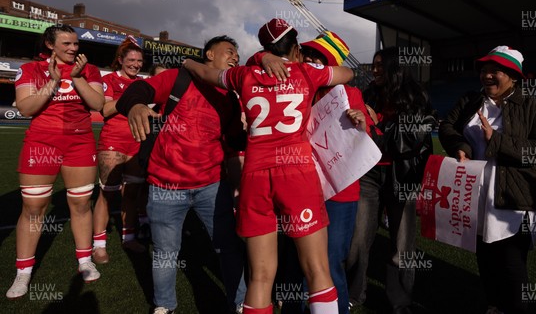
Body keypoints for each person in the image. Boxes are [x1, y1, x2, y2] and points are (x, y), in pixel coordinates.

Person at [182, 18, 355, 314]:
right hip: (296, 172)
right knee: (317, 270)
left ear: (264, 48)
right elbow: (348, 73)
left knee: (260, 278)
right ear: (296, 47)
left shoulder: (243, 74)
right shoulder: (306, 71)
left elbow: (206, 73)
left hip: (256, 173)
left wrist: (187, 62)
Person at [116, 35, 247, 314]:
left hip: (212, 185)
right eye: (230, 51)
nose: (235, 57)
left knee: (228, 247)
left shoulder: (230, 97)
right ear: (209, 55)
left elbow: (237, 140)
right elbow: (135, 91)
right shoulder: (179, 77)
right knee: (165, 252)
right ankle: (164, 305)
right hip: (165, 185)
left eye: (237, 54)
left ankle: (240, 303)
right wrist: (137, 105)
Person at [439, 46, 536, 314]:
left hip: (513, 204)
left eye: (496, 71)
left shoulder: (534, 107)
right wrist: (461, 146)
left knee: (512, 268)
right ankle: (494, 306)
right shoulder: (471, 100)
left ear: (514, 76)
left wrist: (497, 141)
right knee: (486, 262)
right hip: (474, 197)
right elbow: (447, 126)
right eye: (484, 70)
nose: (487, 75)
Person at [7, 25, 105, 299]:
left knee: (81, 203)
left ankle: (85, 261)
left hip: (80, 143)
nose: (74, 48)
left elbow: (97, 104)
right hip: (42, 143)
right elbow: (26, 108)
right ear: (50, 44)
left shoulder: (90, 69)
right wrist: (52, 81)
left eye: (75, 43)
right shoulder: (31, 70)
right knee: (33, 207)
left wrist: (77, 79)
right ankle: (23, 272)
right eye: (67, 44)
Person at [279, 31, 373, 314]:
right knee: (294, 259)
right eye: (307, 53)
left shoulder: (351, 93)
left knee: (331, 260)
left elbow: (364, 132)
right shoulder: (292, 85)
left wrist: (360, 121)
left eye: (318, 57)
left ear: (331, 63)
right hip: (299, 187)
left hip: (339, 191)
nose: (310, 59)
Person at [346, 47, 434, 314]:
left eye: (380, 66)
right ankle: (353, 293)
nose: (374, 70)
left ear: (396, 68)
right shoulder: (368, 92)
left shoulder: (416, 96)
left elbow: (408, 142)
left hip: (402, 174)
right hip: (369, 173)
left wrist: (374, 126)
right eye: (373, 65)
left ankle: (400, 301)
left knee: (402, 242)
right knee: (358, 238)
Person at [92, 36, 147, 264]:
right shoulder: (109, 80)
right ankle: (99, 246)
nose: (136, 64)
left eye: (139, 61)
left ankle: (129, 237)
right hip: (113, 142)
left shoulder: (144, 84)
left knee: (132, 194)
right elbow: (104, 110)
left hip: (137, 142)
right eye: (131, 60)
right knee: (107, 195)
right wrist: (129, 96)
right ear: (121, 60)